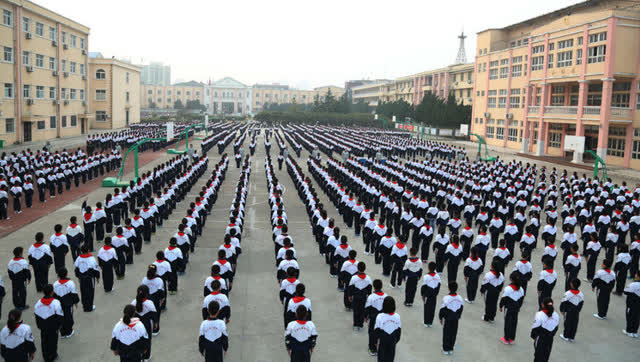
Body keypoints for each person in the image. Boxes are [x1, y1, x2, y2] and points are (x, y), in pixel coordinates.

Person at [33, 284, 63, 362]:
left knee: (44, 341)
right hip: (53, 326)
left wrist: (39, 326)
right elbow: (59, 316)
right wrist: (59, 325)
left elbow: (36, 315)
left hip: (43, 326)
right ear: (52, 292)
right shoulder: (56, 302)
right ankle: (52, 355)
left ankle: (45, 356)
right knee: (53, 341)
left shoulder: (38, 303)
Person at [131, 285, 157, 361]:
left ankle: (139, 355)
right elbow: (154, 315)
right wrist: (156, 323)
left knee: (137, 340)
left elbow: (130, 315)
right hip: (147, 324)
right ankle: (146, 357)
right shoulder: (149, 303)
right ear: (147, 294)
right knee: (147, 340)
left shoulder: (133, 302)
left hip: (136, 325)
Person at [52, 268, 79, 339]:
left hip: (58, 304)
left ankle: (62, 332)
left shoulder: (55, 284)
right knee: (68, 316)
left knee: (60, 317)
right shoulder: (70, 283)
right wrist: (76, 302)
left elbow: (54, 295)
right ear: (66, 274)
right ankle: (69, 332)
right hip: (68, 304)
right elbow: (74, 294)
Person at [530, 298, 560, 362]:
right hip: (550, 339)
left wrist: (534, 337)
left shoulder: (539, 314)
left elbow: (535, 328)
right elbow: (556, 328)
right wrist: (551, 335)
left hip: (540, 338)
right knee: (546, 354)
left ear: (543, 305)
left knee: (538, 355)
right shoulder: (556, 315)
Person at [439, 281, 464, 355]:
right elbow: (461, 308)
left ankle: (445, 349)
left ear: (449, 289)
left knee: (446, 332)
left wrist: (441, 318)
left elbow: (442, 309)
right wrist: (458, 316)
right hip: (455, 319)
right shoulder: (460, 298)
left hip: (447, 319)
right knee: (453, 333)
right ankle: (451, 348)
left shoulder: (446, 298)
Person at [499, 272, 524, 344]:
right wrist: (518, 307)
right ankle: (511, 338)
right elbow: (521, 300)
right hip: (516, 308)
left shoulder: (508, 289)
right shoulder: (521, 289)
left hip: (508, 308)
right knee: (514, 322)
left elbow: (503, 299)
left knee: (508, 322)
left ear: (511, 279)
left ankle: (506, 338)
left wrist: (500, 306)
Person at [73, 245, 100, 312]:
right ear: (88, 250)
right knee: (90, 292)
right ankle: (89, 307)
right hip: (90, 278)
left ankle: (85, 306)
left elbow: (76, 268)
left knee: (83, 292)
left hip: (82, 278)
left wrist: (78, 276)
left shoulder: (78, 258)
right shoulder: (92, 258)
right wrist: (97, 277)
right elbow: (96, 269)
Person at [374, 296, 401, 362]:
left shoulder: (380, 316)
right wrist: (396, 340)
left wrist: (375, 341)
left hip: (383, 338)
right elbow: (398, 330)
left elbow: (376, 331)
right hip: (392, 338)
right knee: (391, 355)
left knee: (381, 355)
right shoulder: (397, 316)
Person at [348, 262, 372, 331]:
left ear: (357, 269)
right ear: (364, 269)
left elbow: (350, 288)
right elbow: (369, 289)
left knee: (356, 310)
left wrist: (350, 296)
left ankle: (356, 325)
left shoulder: (354, 278)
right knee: (362, 310)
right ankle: (360, 324)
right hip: (364, 297)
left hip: (356, 296)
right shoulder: (368, 278)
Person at [364, 279, 386, 356]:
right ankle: (379, 347)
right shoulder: (386, 296)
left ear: (374, 287)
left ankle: (372, 349)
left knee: (372, 333)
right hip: (383, 319)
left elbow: (367, 308)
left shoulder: (371, 297)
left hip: (374, 319)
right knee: (381, 333)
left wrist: (365, 317)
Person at [421, 261, 441, 327]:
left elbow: (423, 287)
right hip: (434, 295)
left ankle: (426, 322)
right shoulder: (437, 276)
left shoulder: (426, 276)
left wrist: (422, 295)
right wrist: (436, 293)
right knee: (432, 308)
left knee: (427, 308)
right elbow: (439, 285)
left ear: (428, 268)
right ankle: (430, 322)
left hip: (427, 295)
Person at [623, 270, 640, 337]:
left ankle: (629, 331)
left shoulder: (634, 284)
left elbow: (625, 291)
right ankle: (634, 332)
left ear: (637, 276)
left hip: (632, 304)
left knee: (630, 316)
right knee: (637, 317)